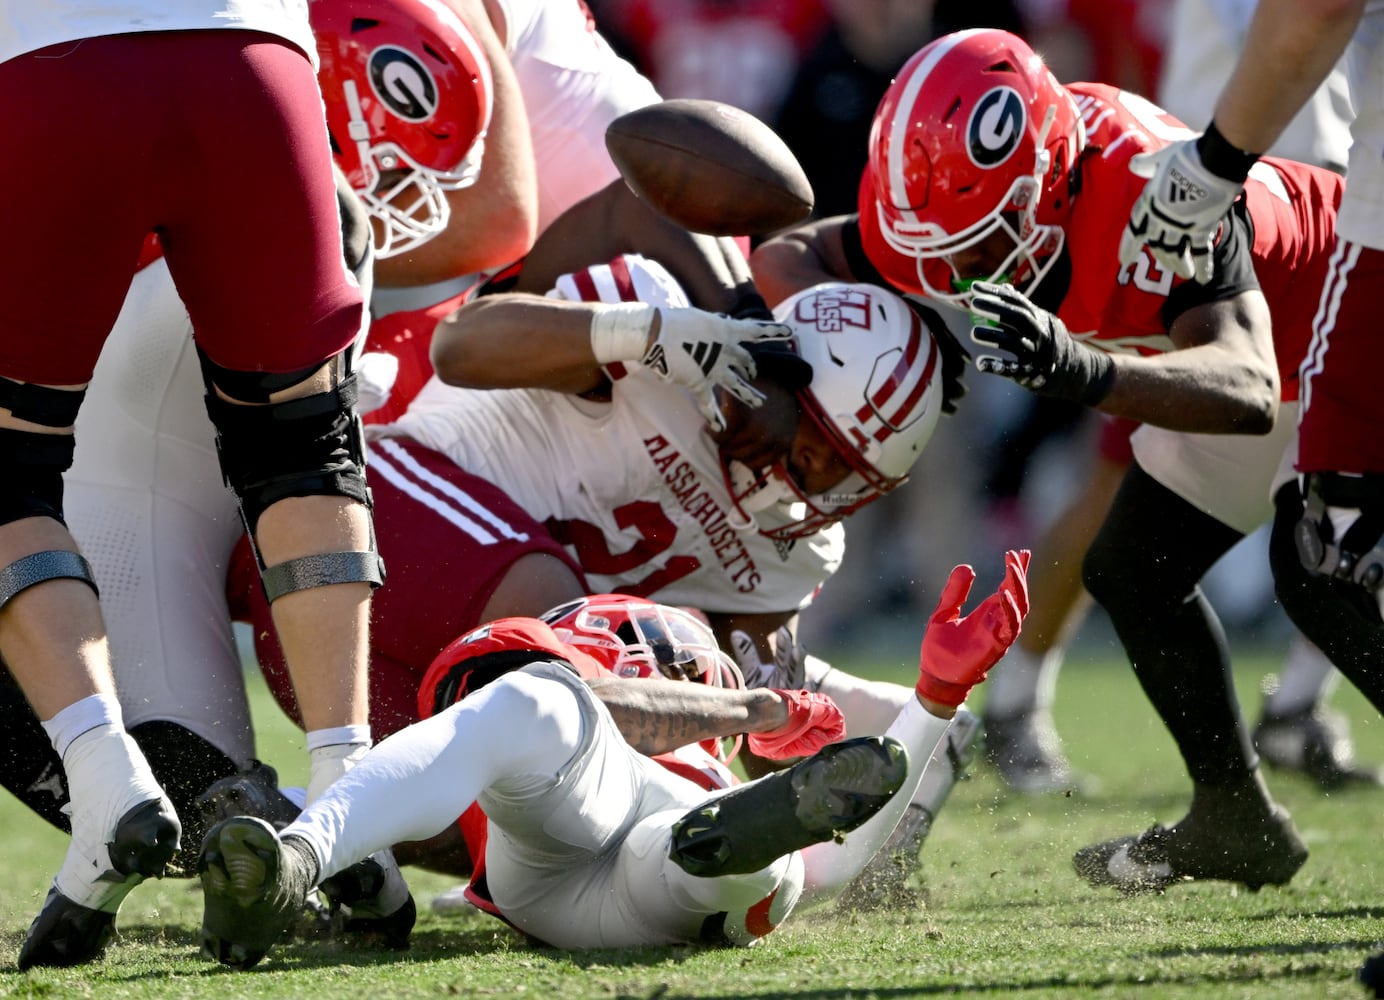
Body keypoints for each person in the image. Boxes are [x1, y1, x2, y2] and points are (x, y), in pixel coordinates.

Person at [749, 26, 1384, 894]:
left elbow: (1244, 377)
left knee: (1318, 574)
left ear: (1048, 178)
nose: (952, 269)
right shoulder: (958, 213)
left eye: (974, 241)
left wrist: (1083, 370)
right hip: (1255, 367)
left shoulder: (1149, 190)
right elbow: (792, 253)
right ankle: (1235, 817)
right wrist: (896, 340)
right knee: (1131, 568)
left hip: (1333, 333)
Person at [0, 1, 384, 970]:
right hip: (256, 61)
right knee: (304, 441)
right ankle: (350, 791)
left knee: (5, 466)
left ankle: (103, 778)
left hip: (49, 63)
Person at [198, 557, 1028, 968]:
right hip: (591, 847)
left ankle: (721, 847)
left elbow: (842, 861)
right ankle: (295, 861)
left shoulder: (677, 736)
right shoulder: (578, 673)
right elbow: (609, 703)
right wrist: (765, 709)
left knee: (705, 843)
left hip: (581, 879)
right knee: (548, 707)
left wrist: (935, 696)